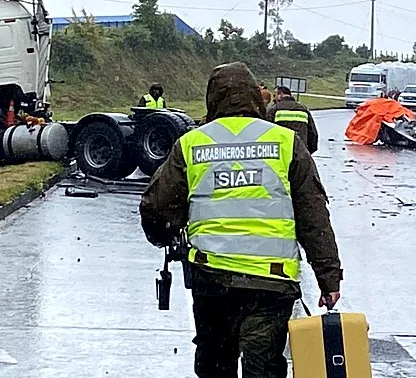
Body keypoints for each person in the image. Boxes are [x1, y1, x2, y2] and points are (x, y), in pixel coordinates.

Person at [139, 62, 343, 378]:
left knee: (215, 364)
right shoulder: (285, 142)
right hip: (271, 285)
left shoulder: (193, 144)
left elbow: (156, 207)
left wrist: (164, 236)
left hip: (212, 280)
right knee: (262, 366)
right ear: (255, 98)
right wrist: (328, 277)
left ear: (212, 98)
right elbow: (313, 215)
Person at [266, 86, 319, 155]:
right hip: (300, 151)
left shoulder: (274, 109)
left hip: (281, 152)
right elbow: (313, 134)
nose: (273, 99)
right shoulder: (303, 109)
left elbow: (266, 131)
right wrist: (306, 152)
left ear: (280, 95)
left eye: (274, 95)